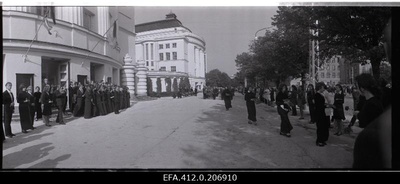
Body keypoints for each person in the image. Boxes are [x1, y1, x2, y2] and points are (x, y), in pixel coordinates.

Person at [314, 82, 331, 147]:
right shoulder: (317, 95)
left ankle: (322, 140)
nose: (323, 88)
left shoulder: (321, 94)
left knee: (323, 126)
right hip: (319, 113)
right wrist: (326, 106)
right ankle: (319, 141)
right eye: (322, 87)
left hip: (322, 112)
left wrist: (326, 105)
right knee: (320, 127)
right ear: (320, 88)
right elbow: (318, 105)